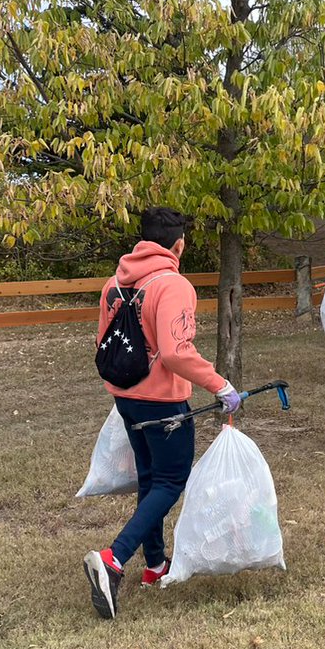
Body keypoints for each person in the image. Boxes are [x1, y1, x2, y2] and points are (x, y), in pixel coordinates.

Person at [83, 207, 243, 620]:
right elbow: (176, 352)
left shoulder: (113, 284)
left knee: (151, 478)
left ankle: (155, 565)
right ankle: (114, 559)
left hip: (125, 397)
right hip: (163, 403)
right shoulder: (174, 285)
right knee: (171, 481)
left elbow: (104, 341)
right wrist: (220, 385)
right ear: (179, 244)